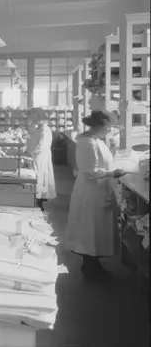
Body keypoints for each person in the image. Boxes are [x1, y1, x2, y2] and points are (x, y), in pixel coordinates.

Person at [65, 110, 125, 281]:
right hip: (90, 192)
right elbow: (89, 170)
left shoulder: (96, 140)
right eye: (109, 126)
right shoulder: (87, 143)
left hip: (99, 190)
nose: (110, 130)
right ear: (100, 125)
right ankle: (89, 267)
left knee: (96, 229)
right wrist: (112, 173)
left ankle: (94, 264)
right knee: (90, 229)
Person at [26, 108, 56, 201]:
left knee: (41, 176)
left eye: (33, 118)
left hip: (41, 156)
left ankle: (41, 196)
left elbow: (41, 146)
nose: (32, 120)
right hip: (36, 155)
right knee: (37, 176)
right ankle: (37, 196)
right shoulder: (39, 128)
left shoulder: (45, 129)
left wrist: (31, 152)